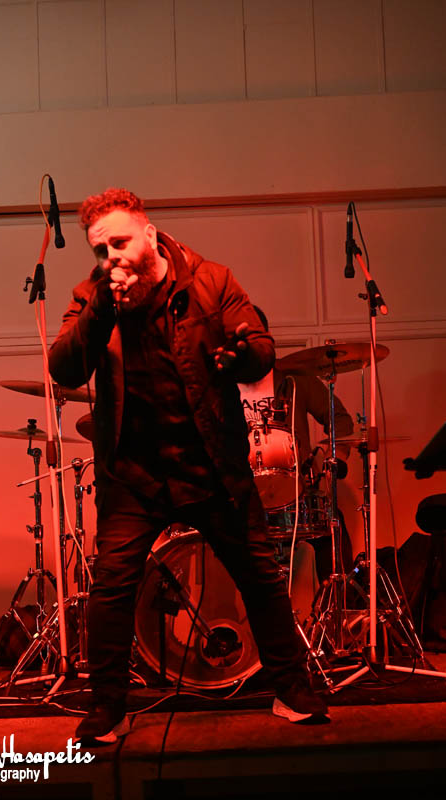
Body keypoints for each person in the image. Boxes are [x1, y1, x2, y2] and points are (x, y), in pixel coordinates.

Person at [49, 188, 329, 741]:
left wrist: (242, 356)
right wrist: (101, 307)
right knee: (112, 586)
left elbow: (262, 347)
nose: (112, 258)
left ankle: (292, 689)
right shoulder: (91, 295)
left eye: (120, 243)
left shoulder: (212, 281)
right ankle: (107, 706)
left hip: (210, 465)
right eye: (101, 250)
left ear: (150, 236)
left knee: (260, 575)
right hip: (134, 473)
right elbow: (65, 367)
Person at [239, 306, 354, 583]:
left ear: (267, 340)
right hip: (242, 495)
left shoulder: (294, 378)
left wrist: (331, 456)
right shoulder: (219, 387)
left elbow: (339, 418)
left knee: (332, 524)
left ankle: (340, 602)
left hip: (295, 490)